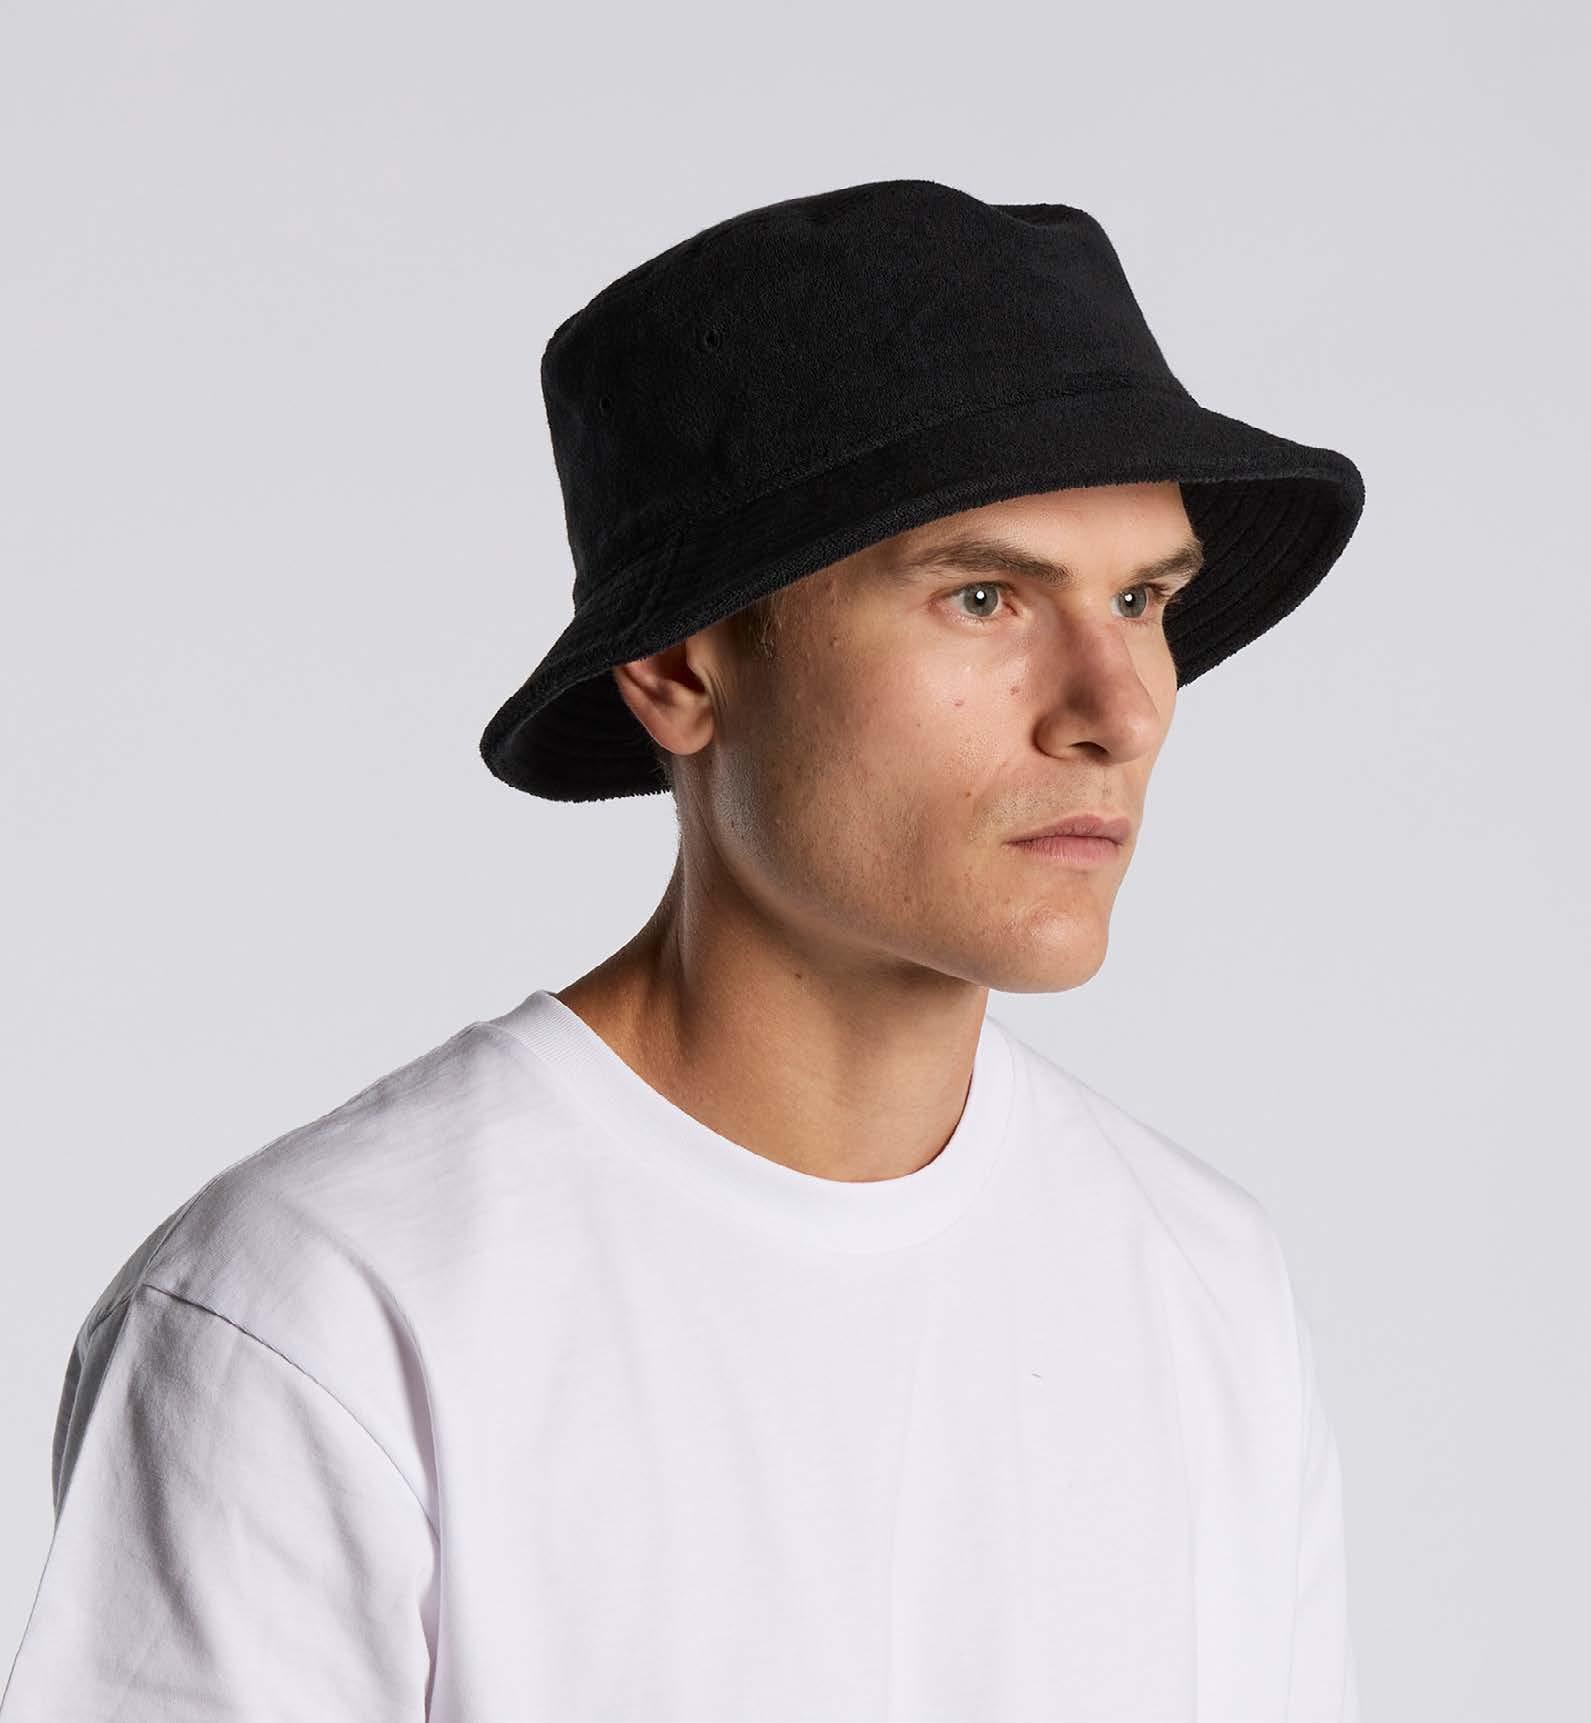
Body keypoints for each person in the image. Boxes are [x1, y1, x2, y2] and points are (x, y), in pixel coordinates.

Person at [1, 179, 1366, 1721]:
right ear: (677, 665)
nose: (1115, 710)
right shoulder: (329, 1307)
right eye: (984, 597)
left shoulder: (1201, 1283)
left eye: (1141, 598)